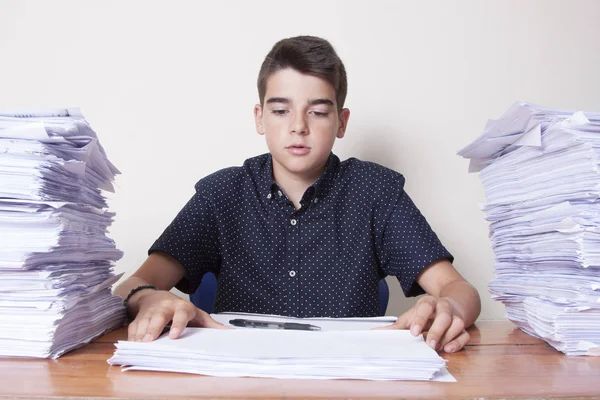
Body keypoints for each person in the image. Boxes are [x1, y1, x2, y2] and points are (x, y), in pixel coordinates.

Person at [114, 35, 481, 353]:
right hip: (237, 378)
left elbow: (458, 288)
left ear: (341, 122)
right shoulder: (222, 193)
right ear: (259, 118)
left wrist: (448, 307)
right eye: (280, 110)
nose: (298, 127)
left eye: (318, 112)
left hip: (347, 377)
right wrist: (149, 297)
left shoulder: (375, 191)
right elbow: (129, 285)